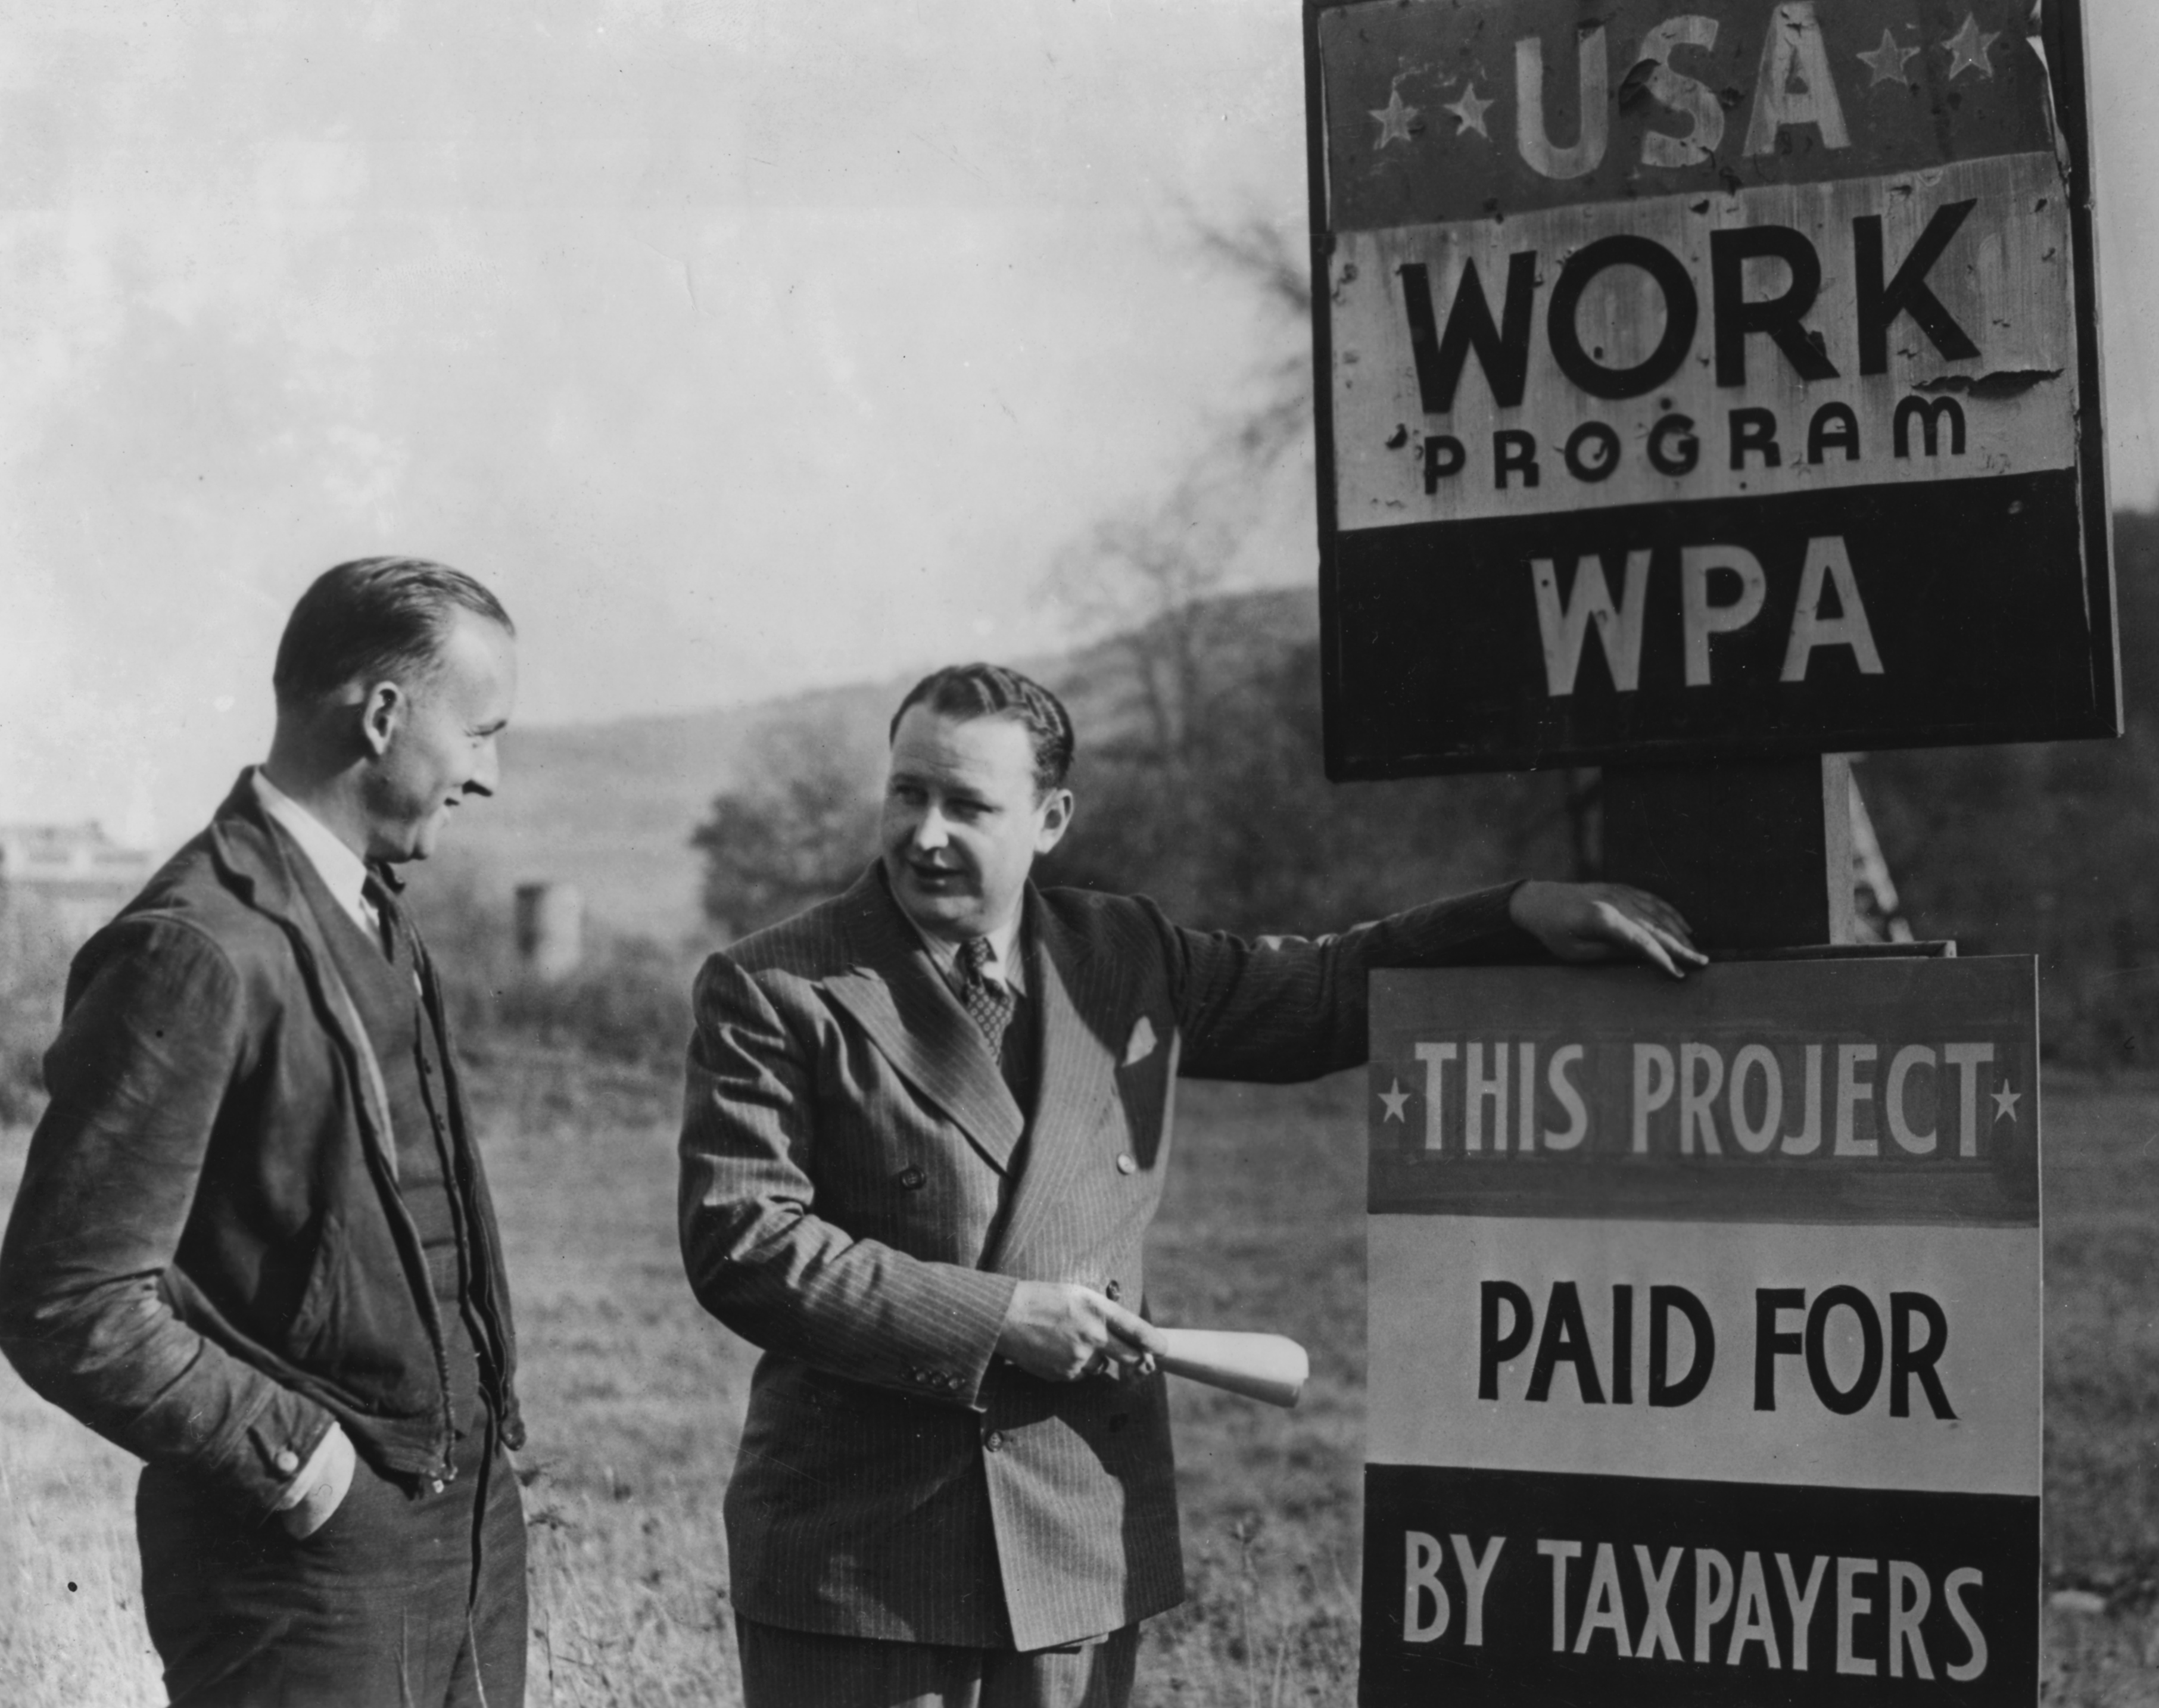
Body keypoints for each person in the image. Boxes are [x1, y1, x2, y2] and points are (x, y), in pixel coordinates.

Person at [678, 661, 1703, 1707]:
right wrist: (999, 1320)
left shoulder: (1123, 955)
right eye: (907, 793)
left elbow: (1323, 989)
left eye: (967, 805)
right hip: (860, 1570)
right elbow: (746, 1244)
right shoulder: (777, 985)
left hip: (1071, 1541)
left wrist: (1519, 913)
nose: (925, 833)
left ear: (1050, 819)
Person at [0, 557, 528, 1708]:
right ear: (382, 716)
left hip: (467, 1533)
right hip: (307, 1567)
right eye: (480, 734)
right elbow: (66, 1299)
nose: (488, 775)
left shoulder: (368, 905)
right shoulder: (193, 946)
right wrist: (301, 1461)